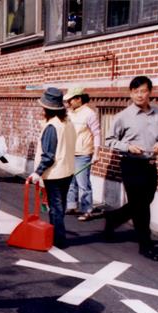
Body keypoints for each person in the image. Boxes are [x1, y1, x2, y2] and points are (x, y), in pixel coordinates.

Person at [104, 76, 158, 262]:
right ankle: (146, 245)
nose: (139, 95)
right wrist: (128, 147)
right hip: (131, 165)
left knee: (145, 201)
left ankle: (113, 217)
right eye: (135, 91)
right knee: (141, 206)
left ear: (149, 92)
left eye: (143, 91)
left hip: (150, 165)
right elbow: (109, 140)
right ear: (130, 93)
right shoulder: (122, 117)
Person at [28, 87, 76, 248]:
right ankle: (57, 237)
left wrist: (37, 172)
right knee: (60, 206)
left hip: (54, 174)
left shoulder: (51, 127)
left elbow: (48, 155)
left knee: (54, 208)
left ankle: (58, 240)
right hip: (68, 170)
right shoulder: (67, 122)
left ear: (47, 108)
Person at [63, 87, 102, 221]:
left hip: (83, 153)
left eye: (70, 100)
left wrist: (96, 153)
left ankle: (87, 210)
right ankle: (72, 205)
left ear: (78, 99)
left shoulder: (89, 114)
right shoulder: (69, 113)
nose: (68, 103)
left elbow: (97, 134)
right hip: (69, 151)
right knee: (70, 181)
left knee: (83, 183)